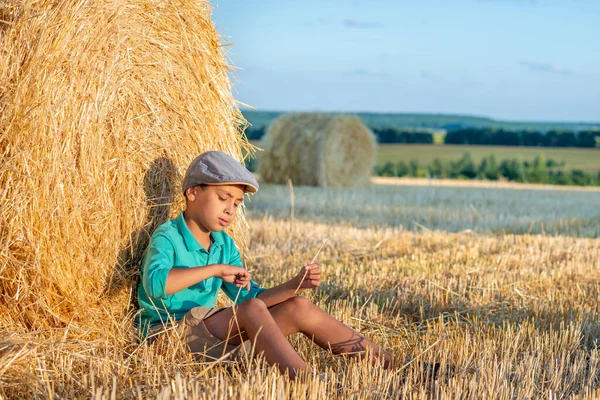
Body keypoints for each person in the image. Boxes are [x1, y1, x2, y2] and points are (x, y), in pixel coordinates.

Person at [137, 150, 395, 379]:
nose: (230, 210)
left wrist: (294, 286)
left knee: (298, 307)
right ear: (193, 192)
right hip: (168, 335)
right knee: (250, 309)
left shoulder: (224, 245)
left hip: (211, 335)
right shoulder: (168, 236)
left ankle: (389, 364)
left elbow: (255, 300)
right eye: (223, 198)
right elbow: (156, 284)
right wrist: (216, 270)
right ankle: (307, 380)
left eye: (236, 204)